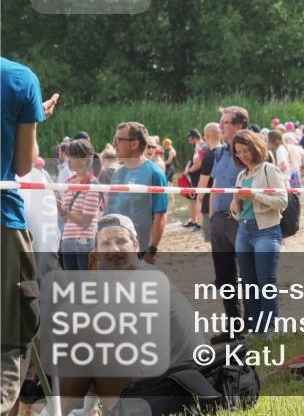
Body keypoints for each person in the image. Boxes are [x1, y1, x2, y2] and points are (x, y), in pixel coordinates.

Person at [56, 213, 204, 414]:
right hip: (177, 385)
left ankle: (57, 412)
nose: (114, 249)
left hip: (175, 392)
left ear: (136, 245)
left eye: (121, 241)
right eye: (106, 243)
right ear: (96, 252)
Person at [1, 57, 57, 415]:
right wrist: (33, 118)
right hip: (3, 222)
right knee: (11, 334)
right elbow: (23, 165)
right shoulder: (19, 78)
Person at [230, 129, 288, 335]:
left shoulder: (268, 170)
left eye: (246, 150)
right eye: (238, 152)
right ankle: (256, 330)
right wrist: (236, 201)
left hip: (267, 231)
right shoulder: (240, 175)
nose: (243, 155)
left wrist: (255, 195)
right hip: (243, 231)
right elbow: (236, 212)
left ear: (255, 148)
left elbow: (282, 201)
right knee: (249, 284)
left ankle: (269, 330)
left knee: (266, 283)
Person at [204, 106, 252, 341]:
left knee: (247, 273)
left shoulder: (250, 151)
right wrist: (212, 214)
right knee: (224, 276)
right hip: (220, 220)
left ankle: (249, 324)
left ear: (239, 125)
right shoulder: (220, 152)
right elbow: (215, 185)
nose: (221, 126)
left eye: (226, 122)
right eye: (220, 122)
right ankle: (233, 325)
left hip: (241, 220)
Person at [105, 121, 168, 259]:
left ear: (134, 144)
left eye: (118, 140)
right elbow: (110, 211)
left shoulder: (154, 173)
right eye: (114, 139)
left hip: (139, 248)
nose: (114, 144)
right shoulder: (118, 173)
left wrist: (152, 251)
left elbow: (160, 215)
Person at [57, 138, 105, 270]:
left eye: (73, 156)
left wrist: (63, 211)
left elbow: (86, 222)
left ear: (85, 160)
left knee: (87, 284)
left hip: (85, 240)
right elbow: (67, 218)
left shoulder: (93, 185)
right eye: (68, 155)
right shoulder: (69, 181)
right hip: (67, 238)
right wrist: (61, 209)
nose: (68, 159)